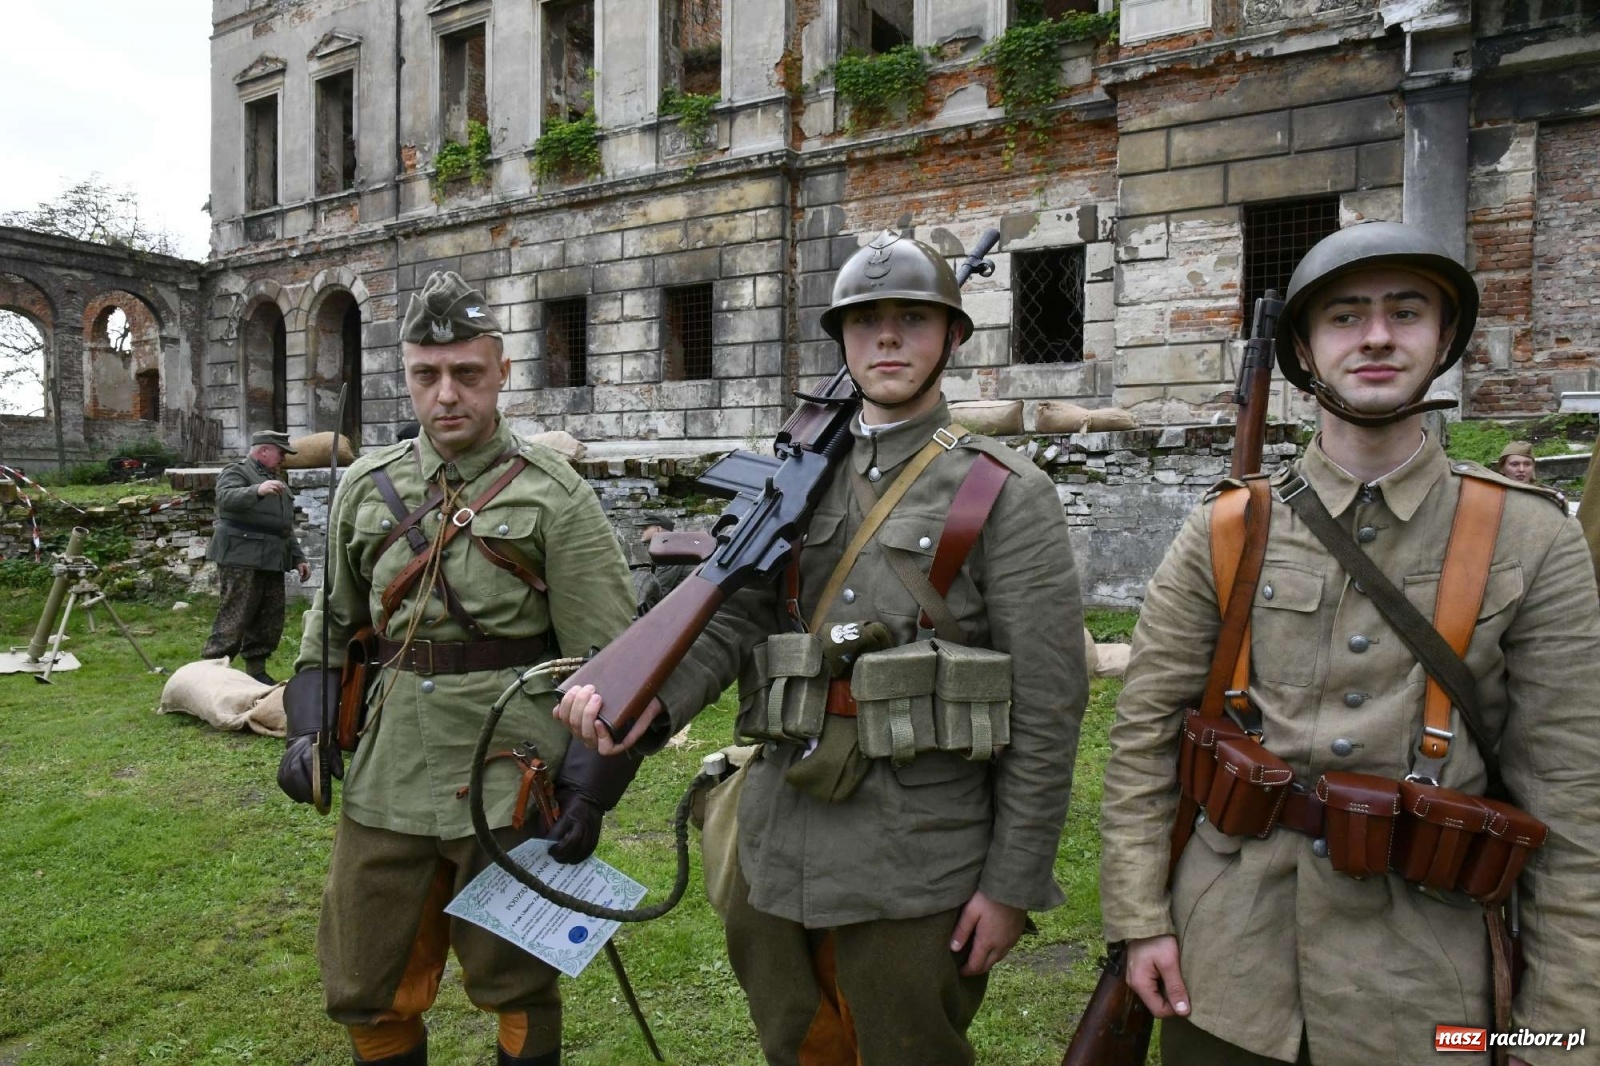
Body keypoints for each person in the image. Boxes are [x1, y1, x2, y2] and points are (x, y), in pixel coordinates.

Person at [556, 231, 1088, 1065]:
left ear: (951, 337)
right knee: (798, 1047)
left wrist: (1011, 884)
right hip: (780, 835)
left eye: (912, 319)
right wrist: (654, 701)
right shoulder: (796, 476)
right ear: (840, 338)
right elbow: (736, 616)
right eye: (865, 320)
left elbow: (1052, 707)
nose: (886, 339)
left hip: (917, 855)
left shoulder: (1003, 492)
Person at [1099, 221, 1600, 1065]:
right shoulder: (1228, 528)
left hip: (1428, 992)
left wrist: (1561, 1031)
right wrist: (1139, 921)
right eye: (1344, 316)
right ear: (1304, 347)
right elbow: (1146, 738)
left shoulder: (1532, 541)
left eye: (1406, 312)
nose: (1375, 335)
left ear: (1443, 340)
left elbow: (1573, 799)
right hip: (1226, 968)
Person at [278, 271, 636, 1066]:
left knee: (518, 976)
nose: (446, 395)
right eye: (425, 374)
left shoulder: (556, 495)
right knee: (365, 976)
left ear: (501, 372)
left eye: (466, 373)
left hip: (511, 772)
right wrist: (307, 732)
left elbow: (612, 665)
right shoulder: (366, 490)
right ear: (405, 374)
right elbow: (332, 626)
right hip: (387, 770)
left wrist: (588, 790)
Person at [202, 429, 310, 683]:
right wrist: (256, 491)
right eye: (281, 453)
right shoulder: (238, 472)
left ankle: (257, 672)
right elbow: (225, 499)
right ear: (264, 450)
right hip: (242, 556)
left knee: (268, 618)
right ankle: (211, 673)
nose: (283, 458)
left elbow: (283, 526)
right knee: (235, 616)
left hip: (272, 558)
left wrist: (299, 557)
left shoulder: (274, 478)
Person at [631, 520, 691, 614]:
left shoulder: (670, 551)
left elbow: (659, 592)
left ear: (658, 529)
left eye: (645, 528)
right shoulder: (673, 548)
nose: (641, 531)